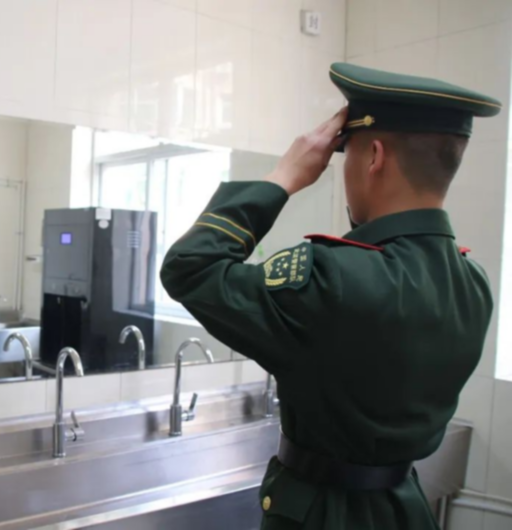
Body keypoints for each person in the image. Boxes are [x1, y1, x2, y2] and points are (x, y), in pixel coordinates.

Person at [160, 62, 502, 529]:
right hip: (405, 509)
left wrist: (283, 176)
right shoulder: (473, 282)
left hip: (321, 516)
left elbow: (190, 267)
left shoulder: (331, 277)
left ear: (374, 157)